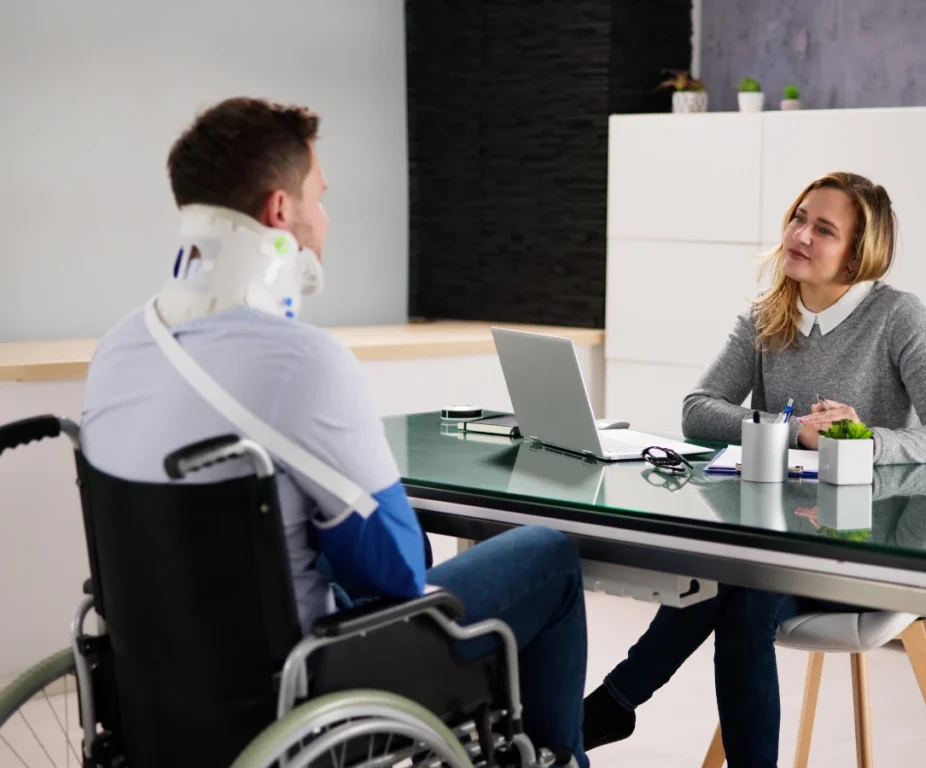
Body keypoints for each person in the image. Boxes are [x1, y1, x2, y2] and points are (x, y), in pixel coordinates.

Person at [80, 97, 589, 767]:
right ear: (278, 212)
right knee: (546, 553)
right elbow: (399, 574)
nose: (326, 218)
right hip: (301, 684)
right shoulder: (302, 361)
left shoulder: (117, 348)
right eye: (319, 196)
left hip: (162, 680)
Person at [582, 171, 926, 767]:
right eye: (799, 218)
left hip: (864, 551)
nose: (800, 234)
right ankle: (613, 705)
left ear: (858, 252)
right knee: (733, 583)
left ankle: (611, 704)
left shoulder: (899, 319)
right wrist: (793, 430)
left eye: (824, 229)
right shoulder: (769, 313)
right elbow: (698, 410)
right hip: (775, 546)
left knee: (734, 588)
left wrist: (862, 440)